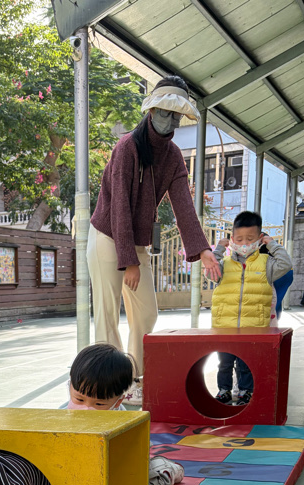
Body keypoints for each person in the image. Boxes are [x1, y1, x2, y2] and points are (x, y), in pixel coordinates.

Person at [87, 75, 221, 406]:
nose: (170, 120)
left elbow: (183, 204)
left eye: (176, 114)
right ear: (151, 111)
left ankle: (132, 380)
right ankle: (107, 386)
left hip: (135, 242)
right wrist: (129, 261)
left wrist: (203, 249)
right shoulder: (127, 148)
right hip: (107, 236)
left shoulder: (173, 155)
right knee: (107, 314)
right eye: (164, 112)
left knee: (146, 314)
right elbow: (119, 207)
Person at [66, 344, 184, 485]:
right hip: (82, 473)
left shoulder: (124, 424)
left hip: (124, 469)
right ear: (70, 386)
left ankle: (164, 470)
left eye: (99, 404)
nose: (87, 409)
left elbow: (132, 463)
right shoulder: (60, 417)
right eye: (79, 399)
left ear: (117, 402)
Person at [211, 211, 292, 404]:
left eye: (250, 239)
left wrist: (271, 244)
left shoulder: (266, 264)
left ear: (260, 238)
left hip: (253, 326)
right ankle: (224, 390)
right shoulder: (224, 264)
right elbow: (209, 272)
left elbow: (286, 264)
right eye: (239, 239)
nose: (244, 243)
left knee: (246, 363)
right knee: (224, 362)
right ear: (232, 239)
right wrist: (219, 250)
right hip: (225, 326)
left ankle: (245, 391)